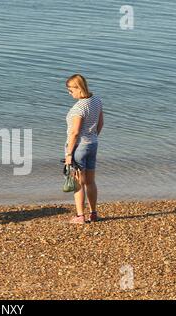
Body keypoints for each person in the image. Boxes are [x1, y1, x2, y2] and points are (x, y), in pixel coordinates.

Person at [65, 74, 104, 224]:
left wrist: (69, 154)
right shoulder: (96, 100)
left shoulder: (78, 108)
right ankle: (93, 213)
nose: (70, 93)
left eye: (70, 90)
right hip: (92, 144)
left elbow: (74, 132)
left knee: (78, 183)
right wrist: (93, 137)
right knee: (90, 181)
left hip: (79, 148)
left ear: (78, 88)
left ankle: (80, 216)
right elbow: (100, 123)